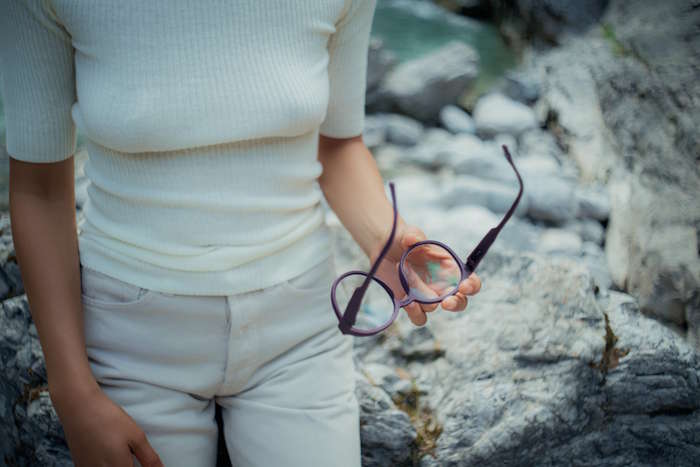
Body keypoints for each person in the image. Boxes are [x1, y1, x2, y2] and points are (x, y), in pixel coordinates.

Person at [1, 0, 482, 466]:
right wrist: (73, 393)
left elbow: (338, 145)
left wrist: (387, 240)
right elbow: (40, 188)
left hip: (301, 335)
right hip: (132, 346)